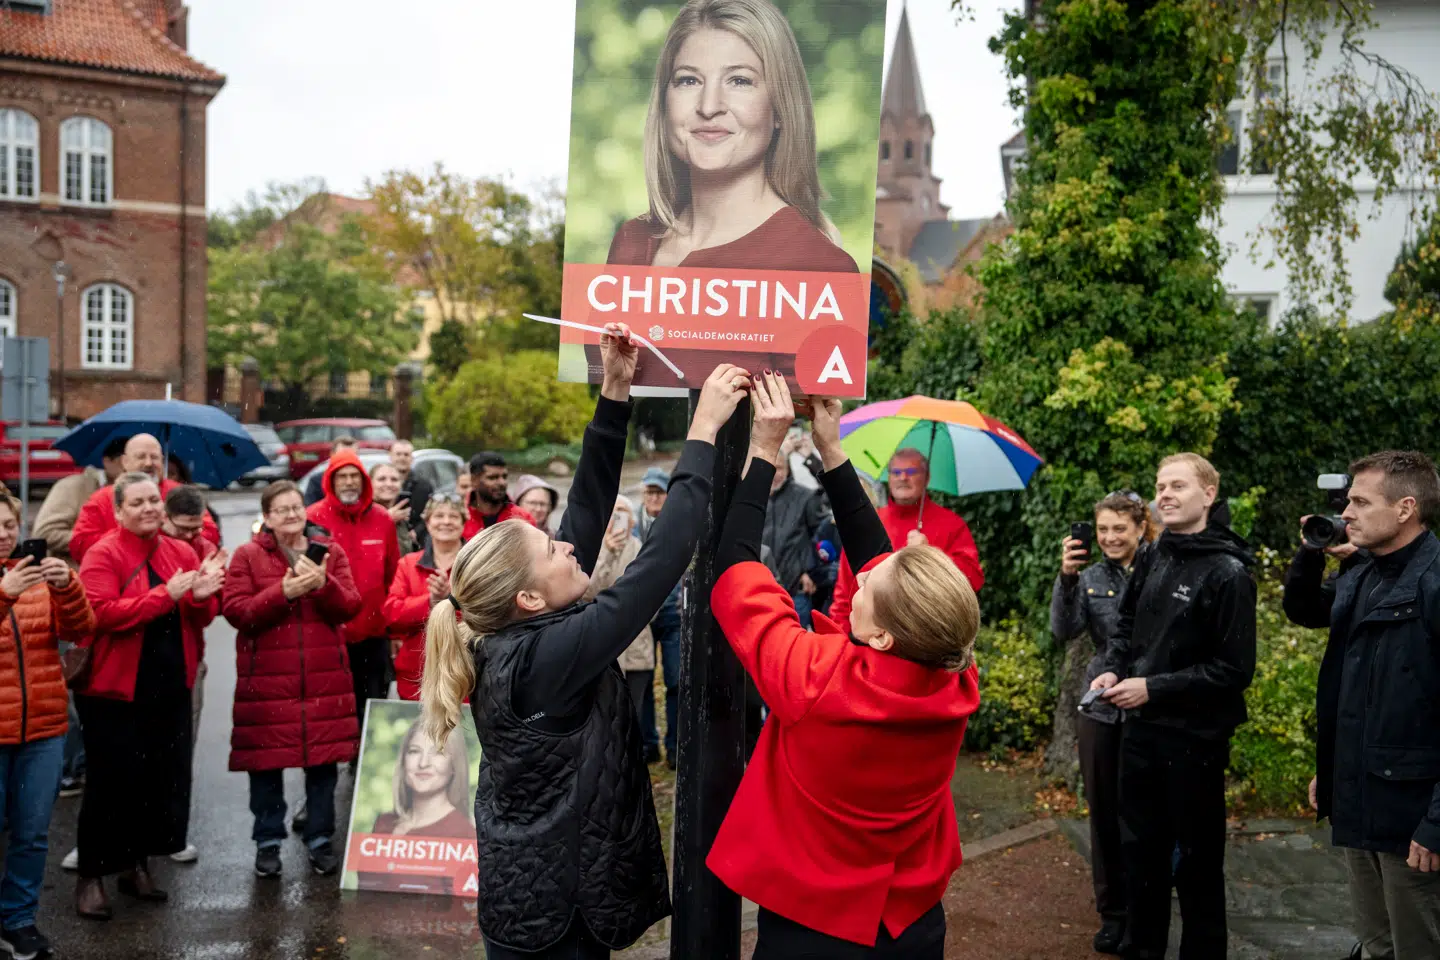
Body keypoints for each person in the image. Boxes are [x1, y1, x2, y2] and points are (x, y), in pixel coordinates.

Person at [420, 328, 750, 959]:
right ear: (529, 598)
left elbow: (585, 512)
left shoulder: (521, 635)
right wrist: (702, 432)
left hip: (541, 900)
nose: (567, 546)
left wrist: (615, 392)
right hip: (553, 919)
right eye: (551, 551)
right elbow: (657, 566)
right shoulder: (543, 658)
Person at [704, 374, 980, 958]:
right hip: (910, 921)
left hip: (814, 926)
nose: (863, 574)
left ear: (880, 635)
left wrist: (763, 448)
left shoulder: (814, 677)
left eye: (866, 587)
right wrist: (832, 448)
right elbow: (884, 563)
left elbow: (734, 571)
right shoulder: (954, 672)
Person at [604, 0, 858, 386]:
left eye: (739, 81)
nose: (709, 107)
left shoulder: (824, 271)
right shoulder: (629, 243)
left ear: (779, 109)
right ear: (664, 100)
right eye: (688, 80)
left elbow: (811, 428)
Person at [1089, 453, 1257, 960]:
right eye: (1160, 486)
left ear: (1208, 494)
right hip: (1139, 735)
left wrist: (1153, 687)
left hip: (1195, 744)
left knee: (1198, 867)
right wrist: (1115, 668)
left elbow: (1233, 671)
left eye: (1177, 485)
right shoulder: (1153, 556)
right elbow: (1123, 628)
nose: (1164, 494)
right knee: (1140, 861)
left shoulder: (1229, 573)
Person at [1282, 451, 1440, 960]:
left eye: (1359, 501)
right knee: (1377, 945)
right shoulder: (1362, 574)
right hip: (1361, 797)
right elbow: (1306, 612)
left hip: (1413, 820)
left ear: (1405, 508)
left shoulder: (1434, 585)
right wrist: (1331, 767)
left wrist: (1438, 823)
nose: (1345, 512)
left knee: (1419, 946)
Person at [74, 472, 224, 921]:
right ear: (118, 511)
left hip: (169, 684)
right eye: (136, 503)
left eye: (153, 502)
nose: (148, 509)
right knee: (110, 785)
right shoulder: (103, 553)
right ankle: (91, 876)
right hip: (115, 691)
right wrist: (165, 595)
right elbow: (99, 614)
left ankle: (135, 865)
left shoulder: (180, 550)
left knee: (157, 782)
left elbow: (200, 616)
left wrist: (200, 595)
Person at [224, 479, 362, 879]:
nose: (291, 514)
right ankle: (268, 842)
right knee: (265, 768)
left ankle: (320, 840)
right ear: (266, 518)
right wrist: (281, 593)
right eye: (281, 509)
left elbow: (350, 606)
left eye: (296, 507)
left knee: (322, 769)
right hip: (266, 683)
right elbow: (236, 612)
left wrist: (323, 584)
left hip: (323, 682)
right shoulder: (247, 556)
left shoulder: (330, 553)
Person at [1049, 490, 1152, 954]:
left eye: (1119, 528)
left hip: (1152, 703)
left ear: (1140, 527)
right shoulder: (1088, 577)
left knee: (1147, 813)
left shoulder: (1159, 569)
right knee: (1105, 815)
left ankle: (1148, 905)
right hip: (1102, 705)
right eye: (1103, 529)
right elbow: (1064, 630)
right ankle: (1113, 913)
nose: (1110, 537)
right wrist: (1067, 579)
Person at [0, 488, 96, 960]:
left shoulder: (34, 577)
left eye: (9, 525)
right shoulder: (14, 585)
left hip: (42, 727)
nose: (3, 534)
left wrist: (67, 586)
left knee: (32, 832)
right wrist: (4, 595)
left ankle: (18, 920)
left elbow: (79, 630)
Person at [828, 448, 985, 634]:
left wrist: (932, 556)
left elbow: (972, 580)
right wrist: (839, 642)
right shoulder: (869, 522)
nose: (903, 477)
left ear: (926, 478)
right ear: (889, 477)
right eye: (896, 472)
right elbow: (844, 593)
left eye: (911, 472)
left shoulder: (952, 525)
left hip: (931, 640)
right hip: (872, 644)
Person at [307, 451, 400, 726]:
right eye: (342, 477)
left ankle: (363, 763)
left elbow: (392, 576)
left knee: (374, 705)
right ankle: (337, 764)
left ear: (363, 481)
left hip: (374, 632)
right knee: (333, 709)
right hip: (329, 632)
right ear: (330, 482)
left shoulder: (382, 519)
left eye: (354, 476)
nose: (349, 483)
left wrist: (393, 630)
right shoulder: (312, 518)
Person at [160, 484, 227, 866]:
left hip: (188, 658)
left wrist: (203, 595)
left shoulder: (203, 548)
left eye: (196, 528)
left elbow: (209, 613)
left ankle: (172, 833)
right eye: (182, 528)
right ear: (165, 518)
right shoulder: (151, 545)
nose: (190, 536)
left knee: (181, 751)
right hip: (146, 663)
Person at [358, 720, 474, 895]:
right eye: (414, 751)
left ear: (454, 766)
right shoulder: (384, 823)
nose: (423, 763)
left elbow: (463, 913)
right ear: (403, 761)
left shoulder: (463, 834)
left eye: (438, 752)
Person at [69, 434, 220, 563]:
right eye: (141, 457)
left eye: (154, 457)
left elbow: (211, 534)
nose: (148, 463)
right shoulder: (102, 499)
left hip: (177, 574)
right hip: (122, 579)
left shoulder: (180, 492)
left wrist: (182, 532)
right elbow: (80, 546)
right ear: (125, 462)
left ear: (162, 461)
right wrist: (131, 535)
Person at [384, 493, 468, 702]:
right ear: (428, 523)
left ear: (463, 523)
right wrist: (429, 602)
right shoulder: (409, 564)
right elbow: (391, 615)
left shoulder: (476, 566)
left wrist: (451, 603)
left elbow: (490, 614)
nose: (446, 522)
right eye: (439, 516)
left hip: (466, 673)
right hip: (417, 676)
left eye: (453, 516)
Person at [584, 497, 654, 726]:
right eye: (613, 514)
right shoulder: (593, 550)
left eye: (623, 513)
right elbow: (587, 594)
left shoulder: (644, 551)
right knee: (605, 717)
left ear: (632, 521)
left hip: (636, 647)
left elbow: (652, 605)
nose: (618, 520)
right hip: (601, 646)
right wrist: (607, 553)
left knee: (632, 716)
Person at [634, 466, 679, 767]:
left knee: (676, 680)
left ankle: (676, 746)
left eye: (659, 492)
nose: (654, 498)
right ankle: (648, 744)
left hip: (674, 611)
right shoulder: (632, 525)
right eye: (650, 492)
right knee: (644, 680)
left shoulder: (679, 522)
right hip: (641, 614)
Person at [32, 435, 129, 566]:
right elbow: (44, 533)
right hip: (73, 578)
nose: (130, 466)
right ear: (107, 461)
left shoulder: (136, 492)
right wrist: (95, 541)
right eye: (124, 460)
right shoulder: (73, 487)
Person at [761, 449, 831, 629]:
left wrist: (812, 571)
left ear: (787, 469)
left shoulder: (806, 496)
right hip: (762, 590)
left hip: (796, 591)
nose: (775, 474)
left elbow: (824, 536)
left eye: (780, 468)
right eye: (770, 468)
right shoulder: (751, 500)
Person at [462, 452, 534, 538]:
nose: (502, 483)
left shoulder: (522, 518)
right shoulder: (458, 517)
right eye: (492, 477)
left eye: (504, 477)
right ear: (474, 480)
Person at [389, 440, 433, 539]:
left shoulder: (424, 486)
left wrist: (416, 532)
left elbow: (430, 514)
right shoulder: (379, 485)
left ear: (412, 458)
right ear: (390, 456)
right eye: (398, 454)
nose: (402, 458)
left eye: (406, 454)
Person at [371, 463, 419, 555]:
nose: (389, 484)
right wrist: (386, 520)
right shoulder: (360, 512)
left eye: (394, 480)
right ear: (370, 482)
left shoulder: (401, 514)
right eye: (382, 479)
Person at [304, 436, 358, 507]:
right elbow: (311, 512)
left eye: (352, 456)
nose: (348, 482)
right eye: (342, 456)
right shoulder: (317, 481)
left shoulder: (362, 481)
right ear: (332, 454)